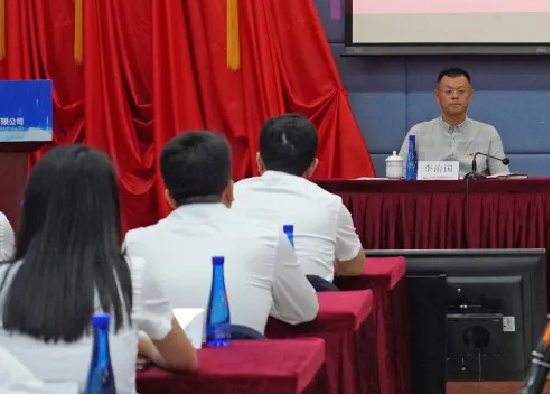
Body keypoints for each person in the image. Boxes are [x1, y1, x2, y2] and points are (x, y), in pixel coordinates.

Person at [0, 145, 196, 391]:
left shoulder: (3, 279)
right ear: (108, 209)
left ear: (32, 207)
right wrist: (142, 344)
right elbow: (184, 360)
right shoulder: (131, 275)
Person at [125, 131, 319, 334]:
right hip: (244, 354)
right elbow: (303, 311)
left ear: (169, 198)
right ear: (230, 190)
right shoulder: (269, 238)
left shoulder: (135, 243)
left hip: (166, 353)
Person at [234, 114, 365, 286]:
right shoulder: (330, 203)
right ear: (313, 167)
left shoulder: (232, 194)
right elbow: (355, 265)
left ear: (258, 161)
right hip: (313, 298)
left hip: (240, 296)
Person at [402, 67, 509, 177]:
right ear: (437, 96)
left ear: (470, 95)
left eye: (461, 91)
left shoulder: (488, 133)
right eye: (448, 91)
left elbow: (502, 179)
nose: (455, 96)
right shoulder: (417, 133)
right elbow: (400, 176)